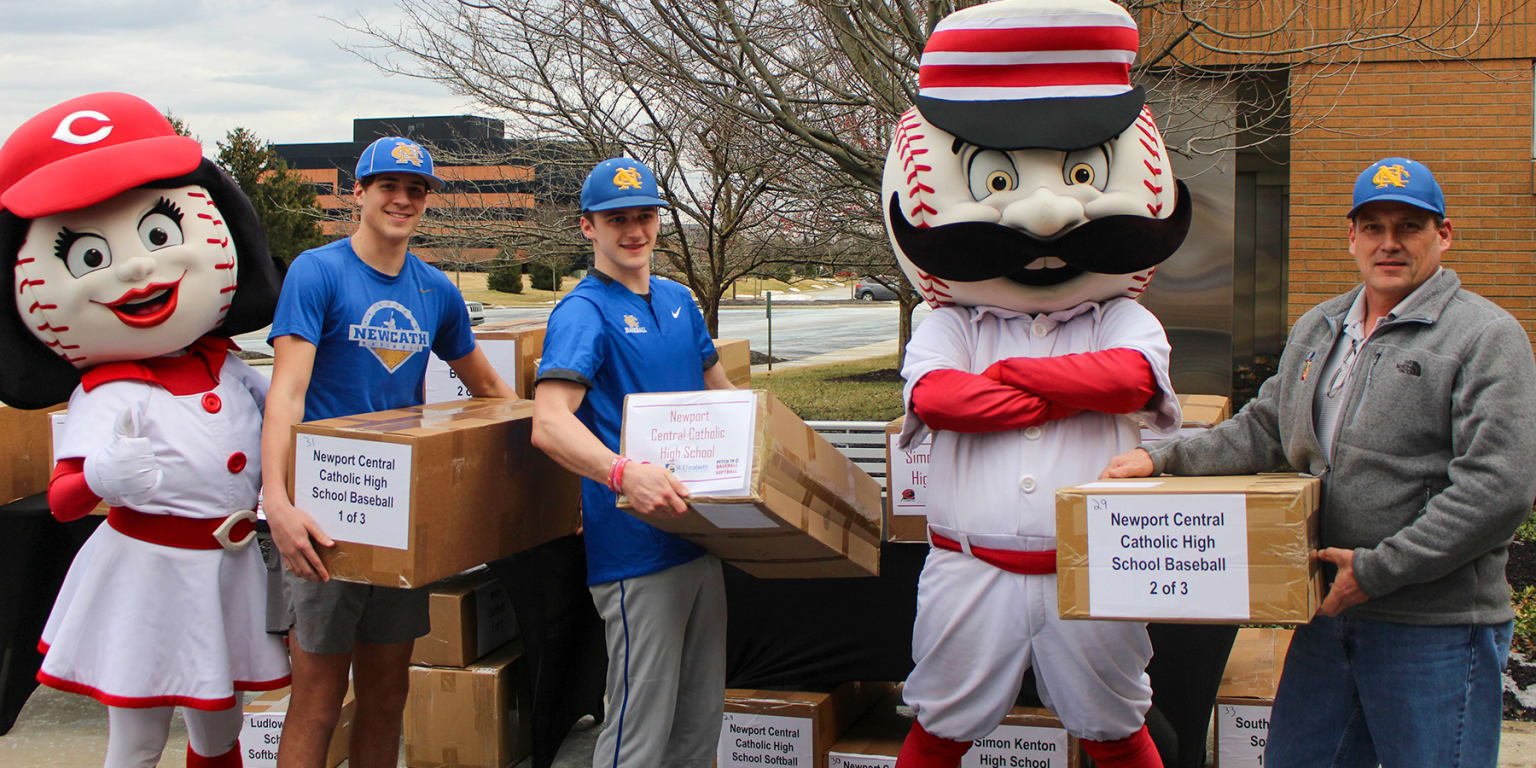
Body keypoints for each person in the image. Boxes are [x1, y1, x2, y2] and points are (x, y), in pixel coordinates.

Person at [1103, 156, 1536, 767]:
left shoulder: (1484, 337)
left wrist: (1381, 569)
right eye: (1374, 226)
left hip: (1434, 629)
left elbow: (1499, 487)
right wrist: (1163, 461)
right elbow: (1265, 430)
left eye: (1409, 227)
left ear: (1443, 235)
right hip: (1327, 616)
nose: (1389, 243)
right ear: (1351, 236)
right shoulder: (1321, 326)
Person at [881, 2, 1193, 766]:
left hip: (1094, 570)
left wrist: (1014, 377)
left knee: (1116, 725)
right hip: (970, 565)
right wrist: (1066, 387)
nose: (1051, 212)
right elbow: (938, 400)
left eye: (1084, 174)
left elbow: (1128, 379)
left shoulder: (1120, 314)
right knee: (938, 724)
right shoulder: (948, 320)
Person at [0, 91, 289, 768]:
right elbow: (65, 496)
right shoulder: (106, 390)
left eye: (158, 235)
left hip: (229, 569)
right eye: (90, 256)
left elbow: (289, 425)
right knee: (137, 735)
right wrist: (101, 477)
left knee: (221, 731)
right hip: (147, 577)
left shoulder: (236, 371)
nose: (137, 267)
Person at [260, 136, 515, 768]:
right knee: (317, 701)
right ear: (359, 193)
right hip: (322, 515)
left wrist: (534, 451)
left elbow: (489, 389)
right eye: (388, 187)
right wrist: (277, 502)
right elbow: (286, 393)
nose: (402, 200)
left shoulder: (435, 290)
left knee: (386, 694)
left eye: (416, 190)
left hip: (395, 511)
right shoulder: (317, 272)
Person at [530, 157, 734, 768]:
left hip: (702, 535)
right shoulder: (582, 312)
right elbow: (550, 422)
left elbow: (721, 393)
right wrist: (623, 473)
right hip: (636, 549)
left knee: (699, 728)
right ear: (588, 227)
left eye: (645, 216)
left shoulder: (678, 300)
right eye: (617, 219)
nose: (634, 231)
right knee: (638, 736)